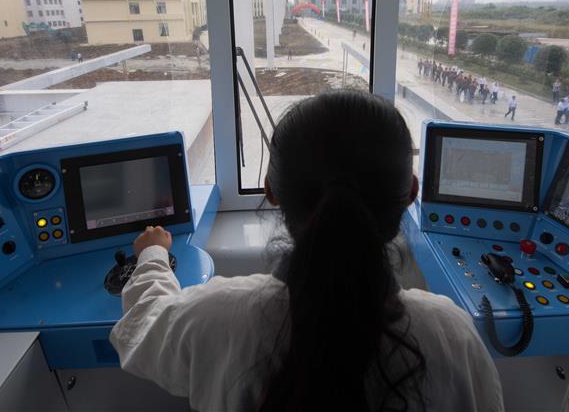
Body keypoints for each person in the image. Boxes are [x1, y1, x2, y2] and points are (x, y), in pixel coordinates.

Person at [110, 91, 504, 411]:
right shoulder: (451, 335)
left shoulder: (215, 319)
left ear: (271, 192)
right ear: (410, 194)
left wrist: (153, 256)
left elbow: (143, 328)